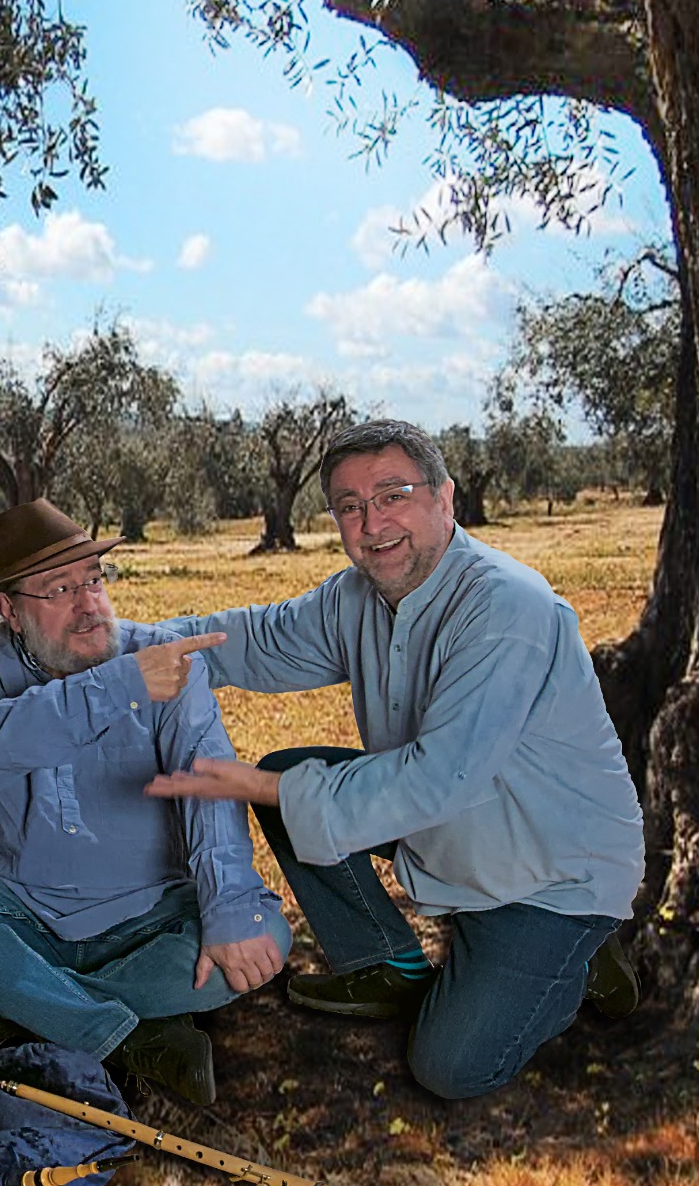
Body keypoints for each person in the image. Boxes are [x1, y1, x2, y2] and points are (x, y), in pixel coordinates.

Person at [146, 419, 645, 1100]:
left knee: (450, 1067)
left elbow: (437, 780)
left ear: (444, 497)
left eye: (392, 496)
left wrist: (262, 788)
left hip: (553, 875)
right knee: (294, 773)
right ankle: (386, 964)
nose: (371, 523)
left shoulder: (507, 609)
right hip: (459, 830)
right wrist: (125, 645)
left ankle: (582, 960)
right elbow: (258, 641)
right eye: (349, 506)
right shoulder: (357, 597)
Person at [0, 499, 290, 1106]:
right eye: (59, 589)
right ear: (9, 610)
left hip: (148, 915)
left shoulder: (168, 660)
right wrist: (123, 684)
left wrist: (229, 912)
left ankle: (6, 1000)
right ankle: (127, 1036)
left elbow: (209, 788)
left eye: (94, 579)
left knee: (264, 934)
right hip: (20, 914)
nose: (88, 602)